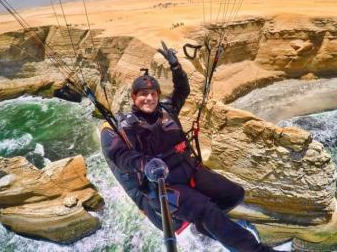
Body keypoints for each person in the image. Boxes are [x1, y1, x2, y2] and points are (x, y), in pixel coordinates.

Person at [101, 41, 275, 252]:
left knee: (234, 194)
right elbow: (120, 155)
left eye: (153, 94)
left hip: (190, 170)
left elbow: (182, 90)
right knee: (206, 209)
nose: (149, 98)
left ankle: (206, 226)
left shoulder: (167, 110)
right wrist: (145, 164)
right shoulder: (126, 126)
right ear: (134, 97)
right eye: (143, 95)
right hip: (165, 183)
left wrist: (176, 67)